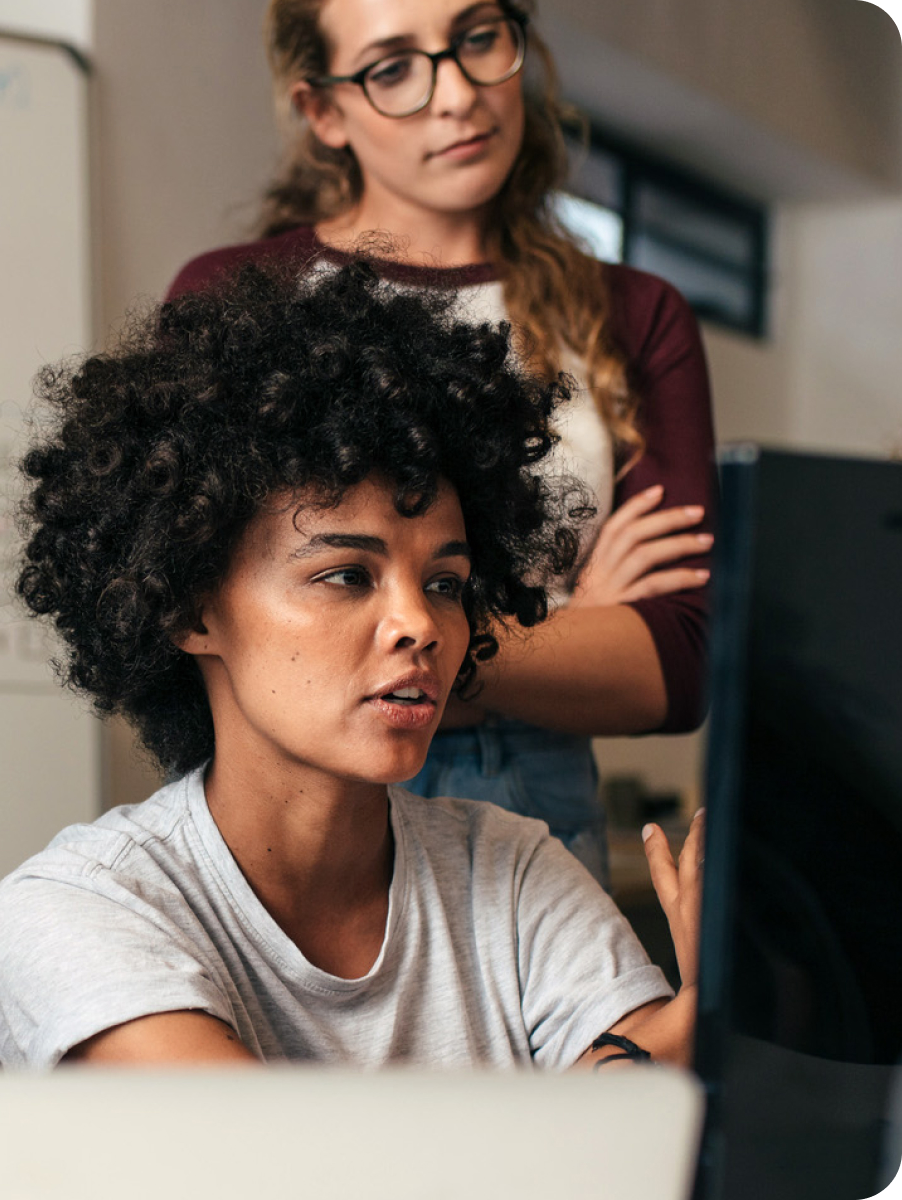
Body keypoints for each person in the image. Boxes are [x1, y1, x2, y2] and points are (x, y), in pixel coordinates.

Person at [0, 260, 702, 1071]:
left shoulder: (513, 866)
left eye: (445, 584)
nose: (420, 625)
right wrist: (656, 1057)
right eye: (346, 576)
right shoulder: (80, 905)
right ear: (188, 608)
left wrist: (700, 1027)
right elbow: (290, 1169)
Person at [166, 0, 716, 885]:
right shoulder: (238, 296)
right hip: (278, 810)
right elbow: (190, 621)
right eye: (392, 68)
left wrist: (345, 644)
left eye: (477, 39)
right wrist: (569, 630)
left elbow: (677, 669)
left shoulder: (633, 317)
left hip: (530, 804)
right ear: (323, 111)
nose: (457, 94)